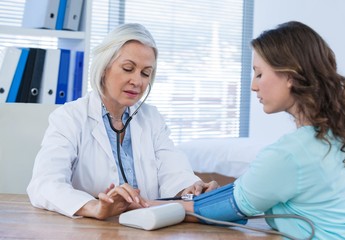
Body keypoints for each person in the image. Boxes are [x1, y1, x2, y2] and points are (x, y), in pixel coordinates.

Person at [151, 21, 345, 239]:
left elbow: (220, 208)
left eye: (259, 74)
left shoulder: (290, 153)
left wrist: (143, 205)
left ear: (290, 76)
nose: (253, 86)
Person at [27, 23, 218, 220]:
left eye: (146, 73)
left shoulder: (151, 119)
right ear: (104, 67)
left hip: (147, 227)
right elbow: (44, 184)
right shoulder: (69, 117)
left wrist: (192, 189)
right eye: (128, 69)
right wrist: (95, 207)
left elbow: (174, 172)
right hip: (91, 231)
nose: (138, 81)